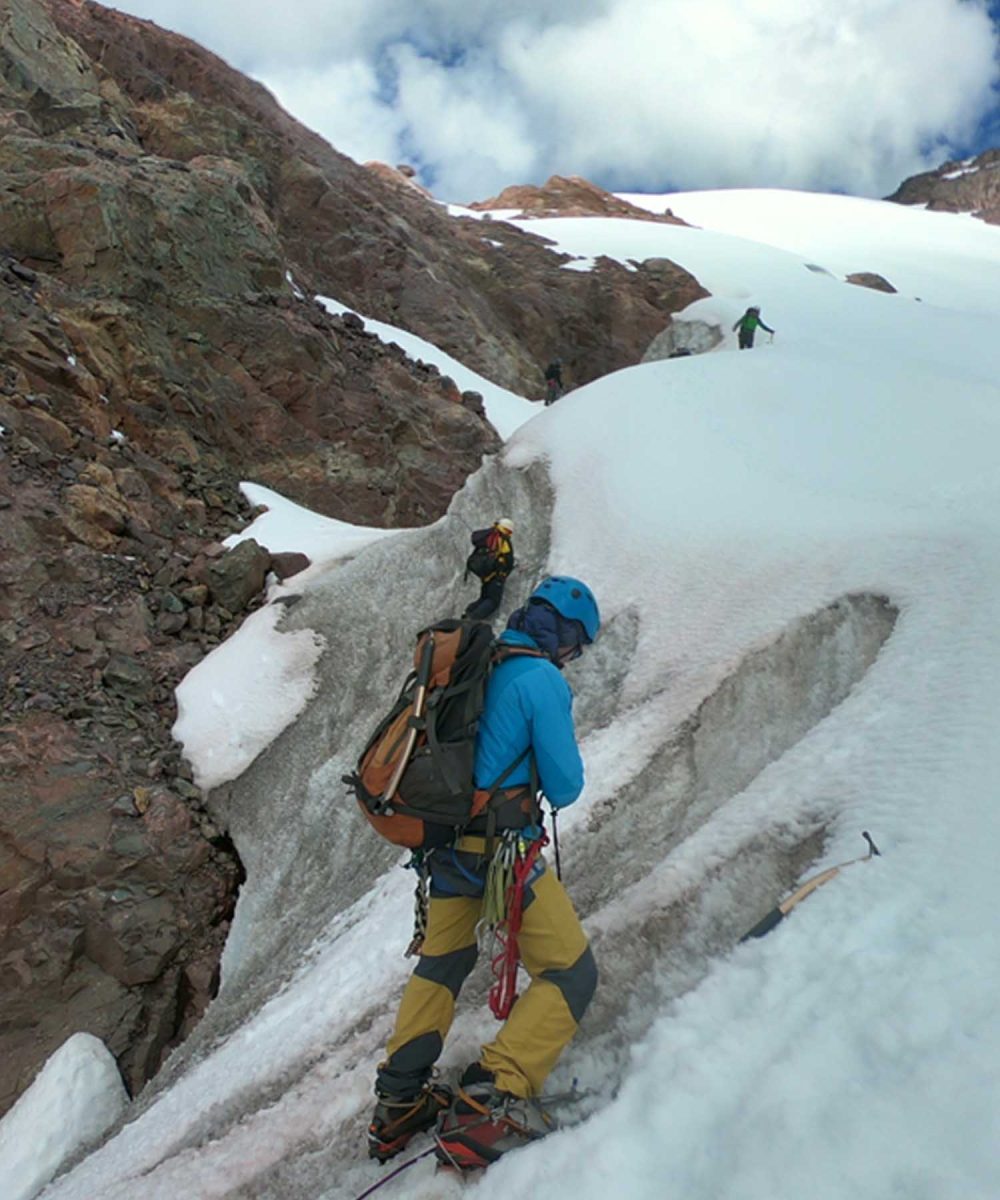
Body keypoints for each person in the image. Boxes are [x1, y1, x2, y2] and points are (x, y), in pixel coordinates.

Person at [368, 576, 601, 1170]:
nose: (573, 656)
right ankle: (492, 1095)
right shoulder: (540, 678)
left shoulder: (483, 661)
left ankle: (399, 1100)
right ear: (567, 635)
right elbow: (567, 786)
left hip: (445, 850)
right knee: (571, 974)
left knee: (442, 965)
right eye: (577, 645)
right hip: (503, 857)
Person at [462, 518, 514, 620]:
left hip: (486, 575)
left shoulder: (489, 535)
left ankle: (468, 611)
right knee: (493, 601)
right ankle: (472, 619)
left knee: (484, 598)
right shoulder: (502, 539)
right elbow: (509, 559)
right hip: (496, 576)